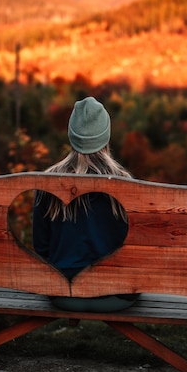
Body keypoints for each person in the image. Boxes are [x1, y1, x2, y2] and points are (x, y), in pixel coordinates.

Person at [33, 96, 138, 312]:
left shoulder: (48, 181)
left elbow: (40, 247)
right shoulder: (125, 183)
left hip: (63, 293)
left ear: (72, 135)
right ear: (106, 136)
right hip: (117, 295)